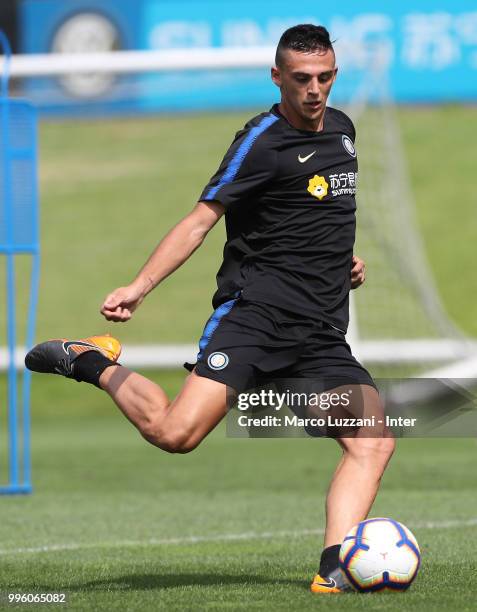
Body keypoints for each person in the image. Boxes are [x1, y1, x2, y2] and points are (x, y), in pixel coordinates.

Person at [26, 24, 395, 594]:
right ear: (278, 77)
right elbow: (201, 221)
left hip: (318, 334)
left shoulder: (344, 131)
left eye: (324, 77)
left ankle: (334, 570)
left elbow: (315, 213)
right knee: (176, 434)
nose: (314, 90)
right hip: (256, 318)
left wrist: (346, 260)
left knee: (372, 439)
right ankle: (90, 361)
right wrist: (140, 285)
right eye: (301, 79)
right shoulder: (260, 141)